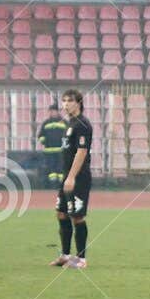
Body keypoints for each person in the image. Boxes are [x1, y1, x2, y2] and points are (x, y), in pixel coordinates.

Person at [50, 89, 92, 268]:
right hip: (67, 177)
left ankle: (81, 259)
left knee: (77, 217)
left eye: (69, 101)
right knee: (61, 212)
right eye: (64, 100)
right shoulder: (70, 123)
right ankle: (65, 256)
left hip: (78, 178)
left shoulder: (82, 124)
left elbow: (82, 152)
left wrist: (72, 177)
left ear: (79, 103)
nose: (65, 104)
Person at [37, 102, 68, 186]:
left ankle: (61, 184)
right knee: (51, 169)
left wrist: (66, 144)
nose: (52, 112)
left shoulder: (64, 122)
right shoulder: (46, 123)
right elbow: (40, 135)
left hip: (61, 150)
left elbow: (69, 135)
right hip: (49, 151)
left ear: (58, 112)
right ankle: (52, 184)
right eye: (50, 111)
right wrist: (44, 141)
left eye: (53, 111)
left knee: (61, 168)